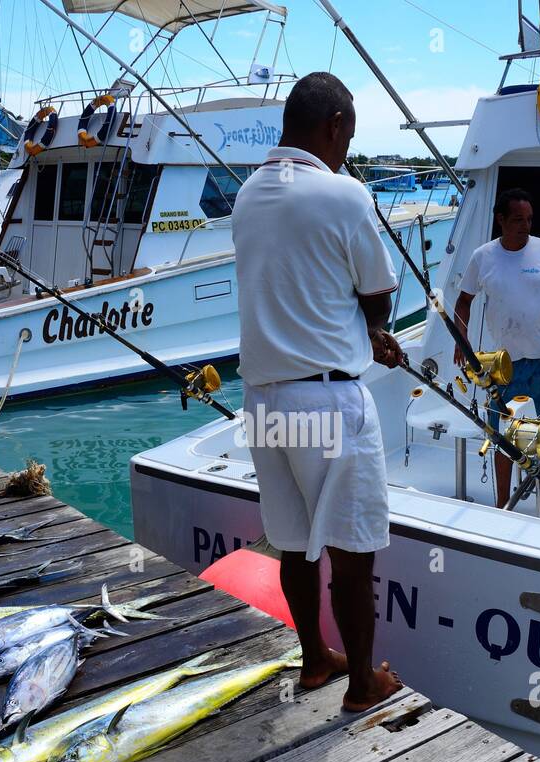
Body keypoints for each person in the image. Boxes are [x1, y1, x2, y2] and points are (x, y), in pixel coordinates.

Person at [233, 72, 405, 712]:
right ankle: (363, 684)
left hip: (265, 403)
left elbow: (299, 292)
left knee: (293, 541)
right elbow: (376, 293)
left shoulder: (247, 196)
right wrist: (376, 333)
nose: (347, 149)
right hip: (330, 403)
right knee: (353, 551)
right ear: (334, 126)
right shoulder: (345, 195)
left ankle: (314, 662)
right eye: (349, 135)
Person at [452, 188, 540, 506]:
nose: (525, 226)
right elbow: (463, 302)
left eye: (529, 220)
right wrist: (461, 339)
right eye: (518, 220)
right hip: (506, 364)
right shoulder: (482, 256)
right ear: (501, 220)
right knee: (504, 435)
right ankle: (502, 503)